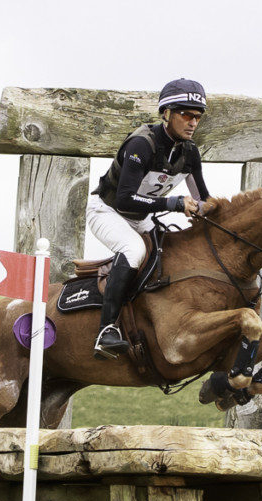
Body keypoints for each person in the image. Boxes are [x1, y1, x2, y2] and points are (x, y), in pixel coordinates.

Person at [87, 77, 212, 359]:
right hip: (107, 210)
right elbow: (124, 198)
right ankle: (106, 331)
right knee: (134, 249)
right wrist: (173, 202)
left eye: (197, 117)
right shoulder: (141, 145)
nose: (193, 122)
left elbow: (204, 199)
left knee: (170, 250)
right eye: (186, 114)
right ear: (166, 114)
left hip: (140, 216)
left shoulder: (190, 153)